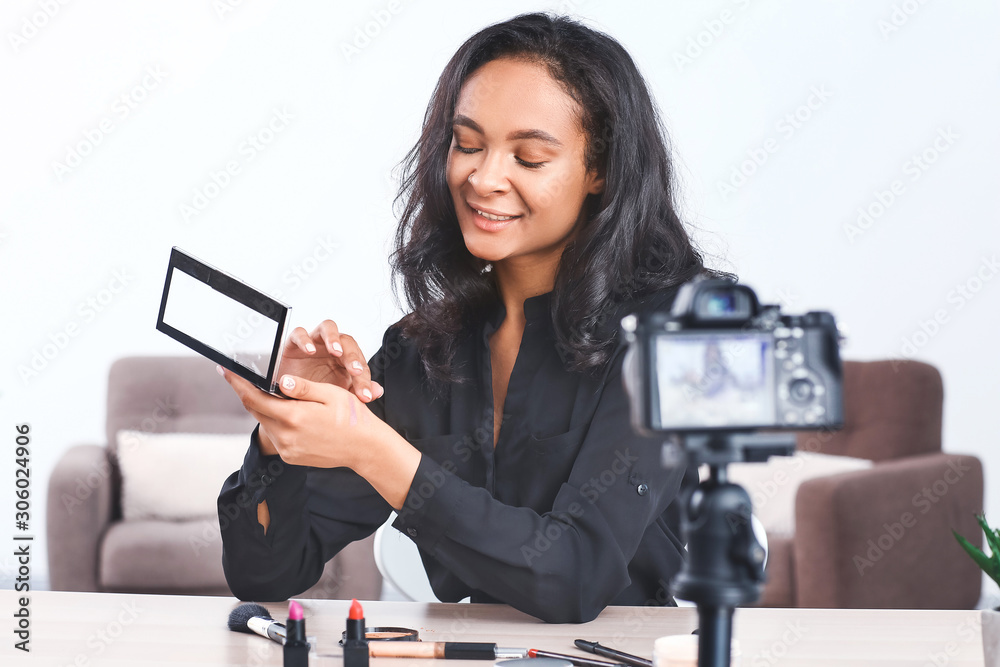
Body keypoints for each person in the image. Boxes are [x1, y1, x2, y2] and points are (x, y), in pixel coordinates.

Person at [217, 12, 718, 624]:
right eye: (468, 144)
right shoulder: (425, 347)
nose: (482, 178)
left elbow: (577, 578)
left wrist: (376, 451)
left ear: (600, 171)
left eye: (529, 158)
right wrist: (283, 430)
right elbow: (266, 572)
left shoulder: (679, 338)